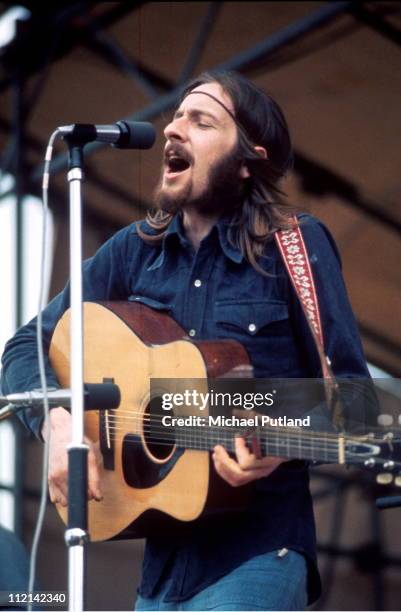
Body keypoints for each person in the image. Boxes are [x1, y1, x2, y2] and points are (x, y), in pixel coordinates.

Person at [1, 70, 370, 611]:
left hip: (260, 557)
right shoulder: (132, 252)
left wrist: (272, 440)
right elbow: (23, 348)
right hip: (159, 578)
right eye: (176, 117)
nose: (174, 129)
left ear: (247, 161)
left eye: (201, 121)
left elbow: (357, 402)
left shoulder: (294, 244)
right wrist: (57, 422)